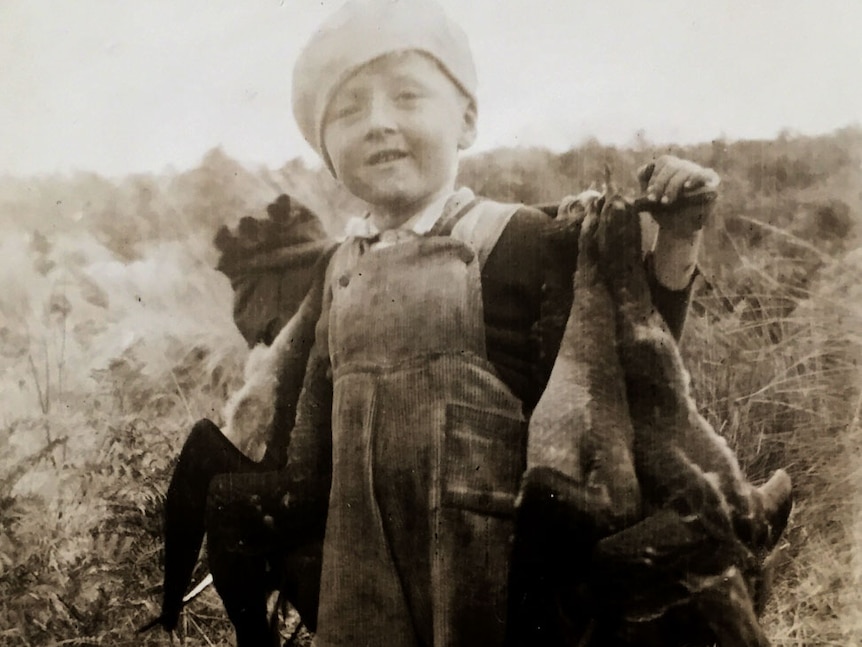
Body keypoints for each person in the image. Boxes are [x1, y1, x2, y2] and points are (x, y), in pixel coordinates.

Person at [145, 1, 768, 645]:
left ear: (466, 120)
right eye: (349, 110)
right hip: (371, 585)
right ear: (325, 150)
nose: (379, 124)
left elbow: (629, 371)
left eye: (407, 96)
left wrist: (678, 240)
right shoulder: (337, 272)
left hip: (504, 585)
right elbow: (300, 440)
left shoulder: (521, 238)